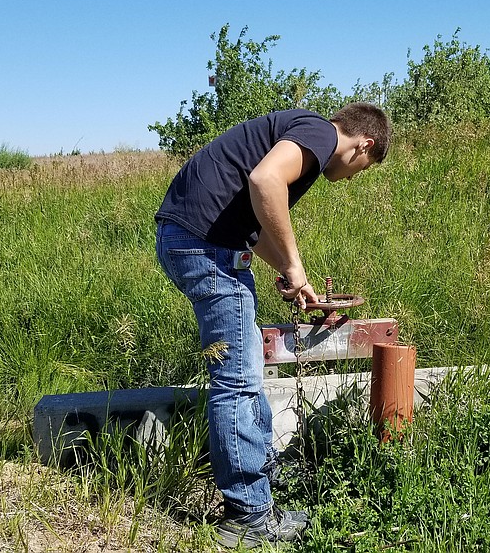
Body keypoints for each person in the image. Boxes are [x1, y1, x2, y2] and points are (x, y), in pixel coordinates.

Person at [154, 102, 391, 547]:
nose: (356, 175)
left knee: (245, 376)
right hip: (205, 247)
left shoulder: (299, 132)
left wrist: (288, 272)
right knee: (238, 382)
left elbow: (256, 222)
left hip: (194, 239)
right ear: (365, 144)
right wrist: (297, 266)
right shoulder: (321, 134)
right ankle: (247, 515)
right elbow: (265, 181)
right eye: (366, 167)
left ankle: (262, 483)